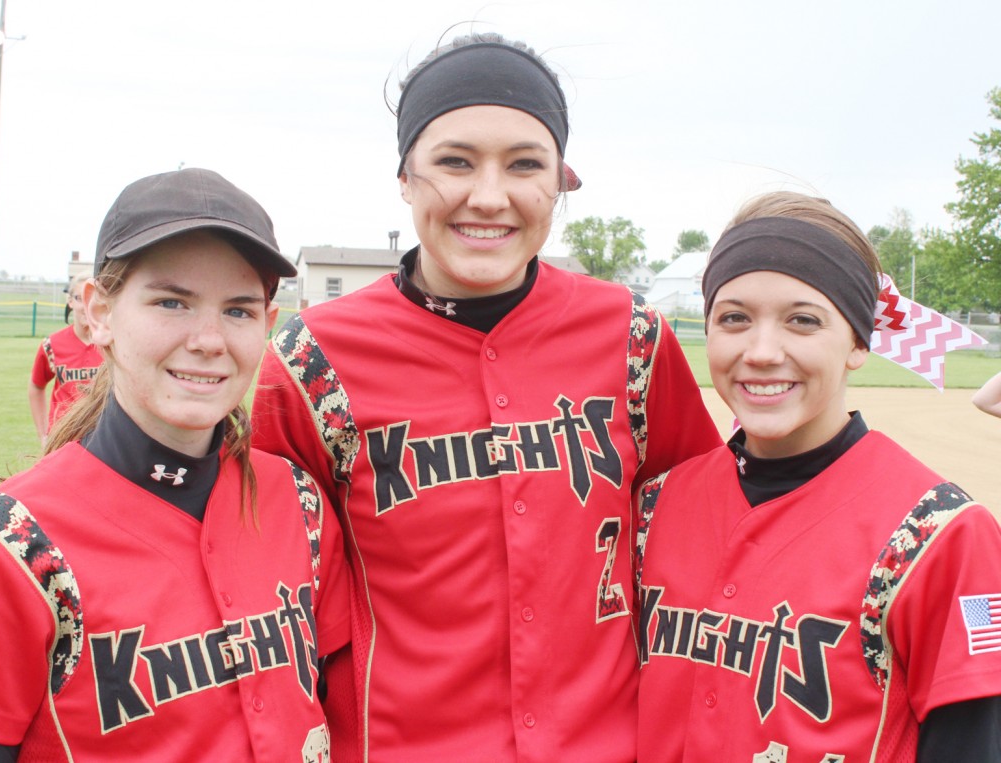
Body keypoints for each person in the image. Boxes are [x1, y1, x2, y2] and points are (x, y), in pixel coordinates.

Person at [250, 31, 720, 762]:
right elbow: (269, 589)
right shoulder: (315, 358)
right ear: (404, 177)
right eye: (454, 162)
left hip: (606, 744)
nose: (489, 196)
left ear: (560, 181)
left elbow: (703, 532)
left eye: (525, 164)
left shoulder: (630, 335)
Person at [0, 168, 351, 761]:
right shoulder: (11, 545)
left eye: (238, 310)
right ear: (99, 313)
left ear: (268, 326)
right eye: (171, 301)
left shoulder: (299, 502)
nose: (209, 340)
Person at [635, 191, 1001, 762]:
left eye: (802, 321)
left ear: (858, 340)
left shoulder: (942, 534)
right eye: (734, 318)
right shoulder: (655, 504)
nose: (760, 351)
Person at [27, 272, 103, 444]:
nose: (86, 305)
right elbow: (36, 386)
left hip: (103, 439)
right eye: (79, 298)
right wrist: (44, 434)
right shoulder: (52, 345)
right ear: (70, 302)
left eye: (93, 297)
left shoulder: (114, 343)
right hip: (63, 438)